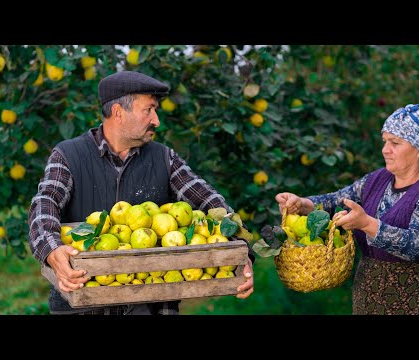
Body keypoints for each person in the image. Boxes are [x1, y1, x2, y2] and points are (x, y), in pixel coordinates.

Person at [28, 70, 254, 315]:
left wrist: (242, 250)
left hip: (152, 306)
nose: (156, 120)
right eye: (149, 110)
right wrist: (52, 250)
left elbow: (210, 201)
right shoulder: (69, 156)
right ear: (118, 113)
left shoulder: (164, 158)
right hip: (81, 305)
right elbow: (45, 203)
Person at [275, 104, 419, 315]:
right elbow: (338, 199)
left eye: (395, 143)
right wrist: (304, 203)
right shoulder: (377, 179)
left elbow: (417, 246)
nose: (385, 150)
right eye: (385, 141)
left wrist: (367, 224)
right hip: (369, 300)